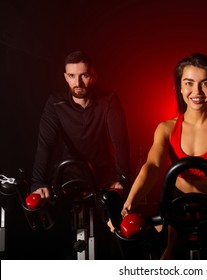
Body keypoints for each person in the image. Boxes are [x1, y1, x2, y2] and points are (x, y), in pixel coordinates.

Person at [116, 53, 207, 259]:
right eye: (189, 83)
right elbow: (152, 166)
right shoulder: (166, 128)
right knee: (168, 254)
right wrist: (128, 205)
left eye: (205, 83)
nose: (197, 91)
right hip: (175, 203)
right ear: (180, 88)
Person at [30, 50, 131, 259]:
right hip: (67, 176)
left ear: (93, 76)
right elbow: (45, 145)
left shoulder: (109, 100)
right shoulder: (55, 103)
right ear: (65, 77)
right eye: (72, 76)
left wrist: (121, 179)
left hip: (103, 177)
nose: (78, 82)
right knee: (57, 239)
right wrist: (38, 182)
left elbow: (120, 142)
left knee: (115, 236)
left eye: (84, 75)